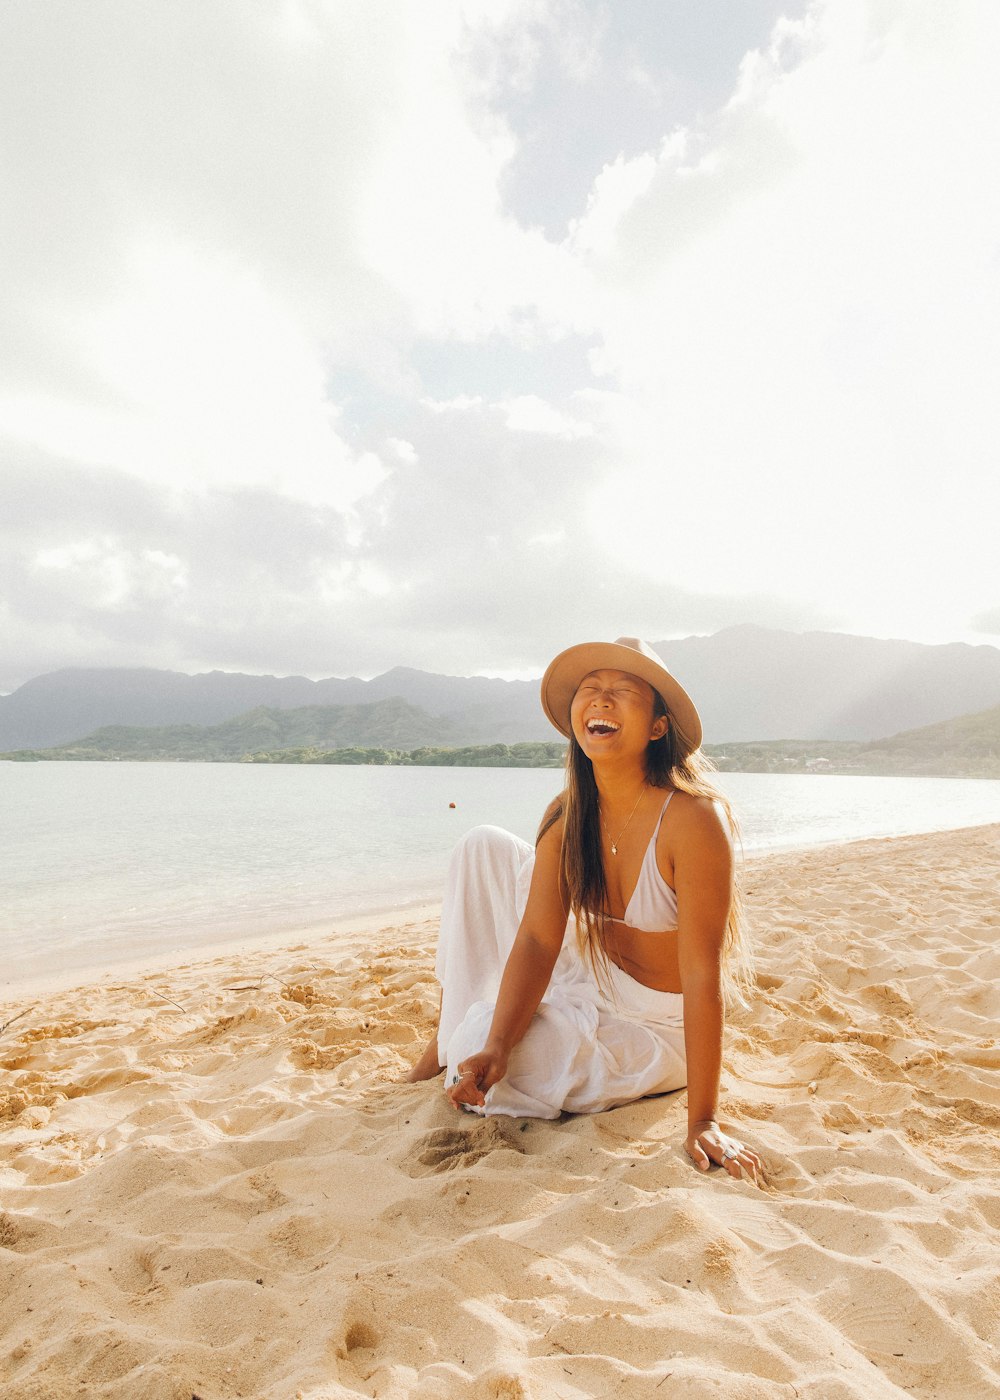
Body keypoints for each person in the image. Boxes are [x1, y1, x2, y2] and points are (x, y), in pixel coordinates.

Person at [406, 636, 762, 1183]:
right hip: (587, 974)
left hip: (652, 1020)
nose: (600, 700)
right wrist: (498, 1045)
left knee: (485, 1054)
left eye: (622, 691)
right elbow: (539, 940)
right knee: (481, 845)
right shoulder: (568, 811)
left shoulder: (693, 821)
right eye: (590, 690)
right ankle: (453, 1027)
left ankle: (458, 1033)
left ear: (657, 727)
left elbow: (701, 972)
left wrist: (703, 1121)